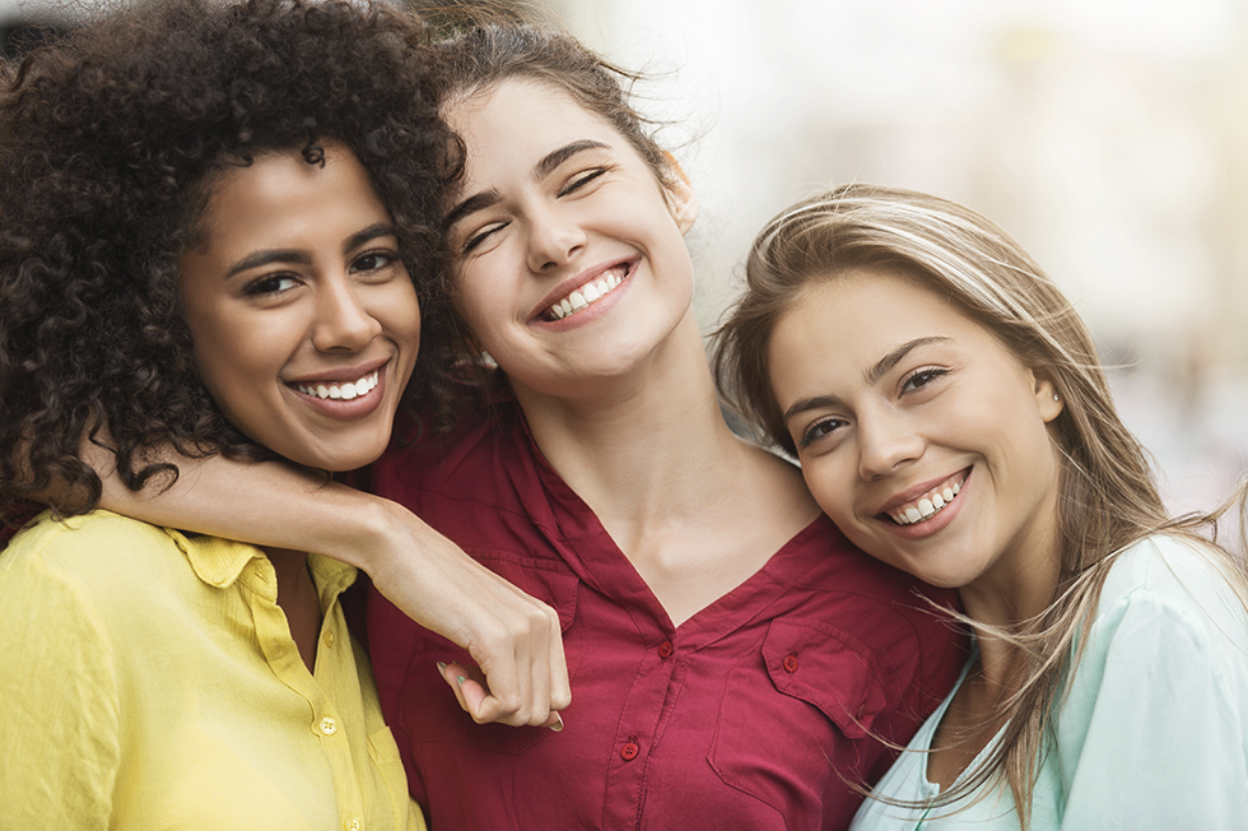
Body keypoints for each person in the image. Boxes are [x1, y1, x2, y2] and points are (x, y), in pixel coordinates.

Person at [64, 15, 968, 830]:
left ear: (673, 186)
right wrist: (385, 537)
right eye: (480, 231)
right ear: (442, 292)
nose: (553, 241)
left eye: (580, 179)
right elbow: (53, 443)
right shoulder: (390, 463)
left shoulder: (892, 581)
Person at [0, 0, 491, 826]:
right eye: (273, 282)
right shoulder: (73, 592)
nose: (351, 324)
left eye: (373, 259)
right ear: (157, 316)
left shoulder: (353, 588)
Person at [713, 183, 1248, 829]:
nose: (881, 452)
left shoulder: (1151, 609)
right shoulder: (931, 701)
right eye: (825, 428)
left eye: (920, 380)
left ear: (1042, 376)